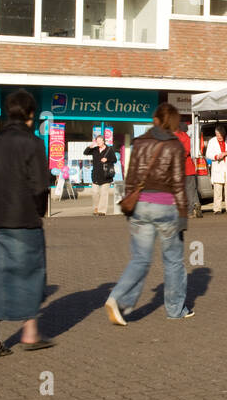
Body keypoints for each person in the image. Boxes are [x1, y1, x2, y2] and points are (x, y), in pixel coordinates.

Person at [0, 89, 52, 358]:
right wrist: (39, 213)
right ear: (31, 114)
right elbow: (41, 187)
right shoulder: (32, 143)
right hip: (23, 221)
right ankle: (30, 334)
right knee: (29, 276)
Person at [105, 103, 192, 323]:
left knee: (140, 259)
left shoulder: (139, 142)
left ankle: (118, 299)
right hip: (166, 207)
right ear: (172, 121)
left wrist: (129, 206)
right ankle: (175, 310)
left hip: (140, 206)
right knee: (173, 261)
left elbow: (131, 176)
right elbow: (178, 184)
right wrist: (183, 214)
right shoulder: (175, 145)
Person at [84, 134, 117, 216]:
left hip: (106, 175)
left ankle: (102, 211)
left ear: (103, 141)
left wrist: (107, 159)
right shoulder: (95, 149)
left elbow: (114, 160)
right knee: (94, 192)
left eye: (99, 141)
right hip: (95, 174)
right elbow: (85, 153)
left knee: (104, 193)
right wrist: (89, 147)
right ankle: (96, 207)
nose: (98, 142)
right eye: (97, 141)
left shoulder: (109, 149)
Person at [205, 125, 227, 213]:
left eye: (221, 135)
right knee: (217, 190)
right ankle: (217, 209)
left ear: (224, 134)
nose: (219, 137)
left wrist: (226, 153)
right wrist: (216, 156)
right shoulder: (212, 141)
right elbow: (208, 154)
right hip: (218, 167)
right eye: (217, 135)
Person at [176, 125, 200, 218]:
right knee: (191, 190)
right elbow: (186, 151)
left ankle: (186, 211)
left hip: (180, 169)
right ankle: (192, 210)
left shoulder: (176, 136)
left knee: (184, 191)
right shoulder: (185, 137)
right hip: (188, 168)